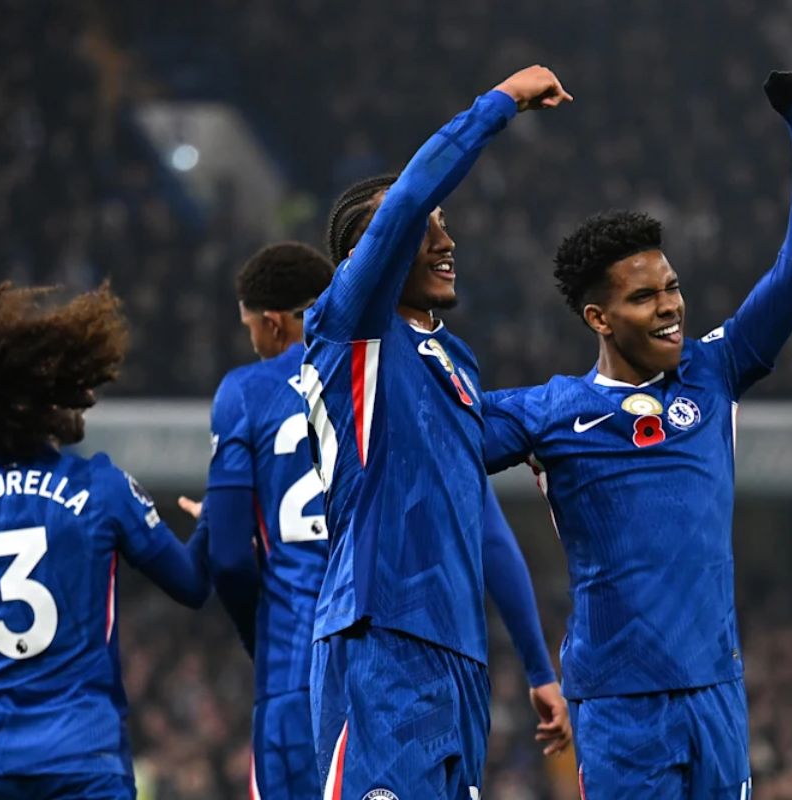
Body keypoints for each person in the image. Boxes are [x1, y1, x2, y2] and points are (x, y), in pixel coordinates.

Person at [482, 71, 792, 798]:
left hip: (716, 691)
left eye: (671, 287)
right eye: (643, 297)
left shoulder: (715, 369)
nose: (669, 307)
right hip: (619, 707)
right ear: (599, 319)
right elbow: (428, 436)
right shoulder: (551, 412)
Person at [184, 242, 570, 797]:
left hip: (309, 664)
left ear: (272, 322)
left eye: (251, 328)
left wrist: (263, 646)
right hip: (404, 656)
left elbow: (226, 558)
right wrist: (538, 668)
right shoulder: (408, 382)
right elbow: (490, 537)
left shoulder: (248, 391)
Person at [302, 65, 571, 798]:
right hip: (378, 635)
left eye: (446, 225)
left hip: (460, 659)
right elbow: (409, 197)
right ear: (369, 256)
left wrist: (538, 668)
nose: (444, 239)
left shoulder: (454, 362)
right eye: (425, 228)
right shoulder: (349, 330)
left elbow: (483, 522)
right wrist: (500, 102)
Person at [0, 282, 210, 800]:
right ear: (40, 403)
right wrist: (211, 520)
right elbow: (192, 584)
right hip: (83, 761)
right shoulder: (101, 487)